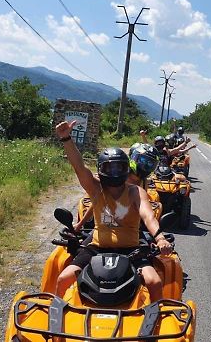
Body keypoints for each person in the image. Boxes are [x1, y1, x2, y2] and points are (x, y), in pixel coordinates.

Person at [55, 120, 172, 302]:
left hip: (131, 249)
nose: (114, 171)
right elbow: (79, 167)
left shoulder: (135, 191)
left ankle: (155, 322)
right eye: (110, 167)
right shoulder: (95, 188)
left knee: (154, 281)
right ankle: (56, 319)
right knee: (63, 278)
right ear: (101, 169)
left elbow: (148, 216)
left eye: (119, 167)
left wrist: (160, 238)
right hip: (96, 248)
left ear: (126, 169)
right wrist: (66, 139)